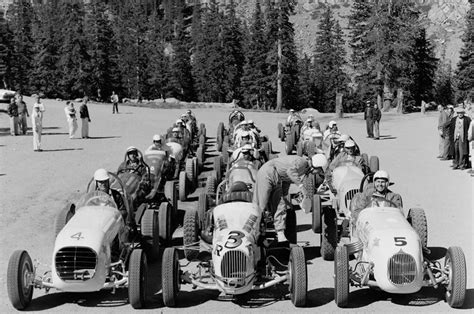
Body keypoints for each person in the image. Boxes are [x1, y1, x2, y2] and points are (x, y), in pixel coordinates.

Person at [253, 155, 324, 244]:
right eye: (319, 170)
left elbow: (286, 180)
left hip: (276, 177)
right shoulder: (302, 162)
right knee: (261, 206)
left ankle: (280, 233)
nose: (317, 173)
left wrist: (285, 196)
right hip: (268, 173)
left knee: (281, 204)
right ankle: (256, 232)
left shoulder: (304, 170)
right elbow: (290, 172)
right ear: (316, 165)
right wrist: (302, 187)